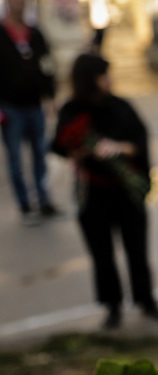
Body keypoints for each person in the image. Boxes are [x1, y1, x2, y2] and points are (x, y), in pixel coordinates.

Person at [52, 54, 158, 329]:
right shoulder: (72, 109)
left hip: (126, 191)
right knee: (102, 254)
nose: (109, 81)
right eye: (103, 76)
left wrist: (119, 148)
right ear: (89, 81)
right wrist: (84, 150)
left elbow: (140, 139)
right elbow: (59, 145)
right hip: (93, 193)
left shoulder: (120, 106)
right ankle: (112, 306)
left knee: (136, 249)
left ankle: (146, 300)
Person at [0, 0, 59, 224]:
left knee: (40, 155)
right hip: (10, 107)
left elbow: (47, 65)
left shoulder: (35, 34)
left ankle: (44, 200)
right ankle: (25, 205)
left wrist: (51, 95)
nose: (19, 4)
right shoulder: (1, 34)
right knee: (15, 159)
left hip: (35, 106)